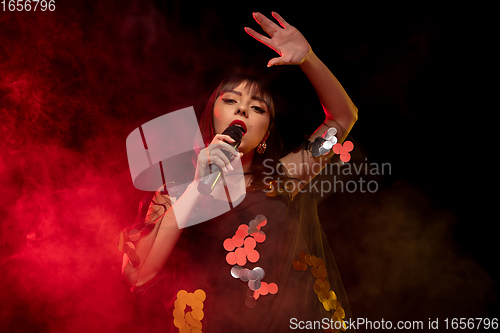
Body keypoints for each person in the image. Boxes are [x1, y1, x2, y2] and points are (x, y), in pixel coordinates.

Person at [119, 11, 358, 333]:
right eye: (231, 100)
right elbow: (139, 275)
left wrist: (309, 60)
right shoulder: (174, 191)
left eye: (258, 107)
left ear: (265, 134)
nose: (244, 109)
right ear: (212, 116)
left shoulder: (284, 178)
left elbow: (342, 119)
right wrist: (197, 186)